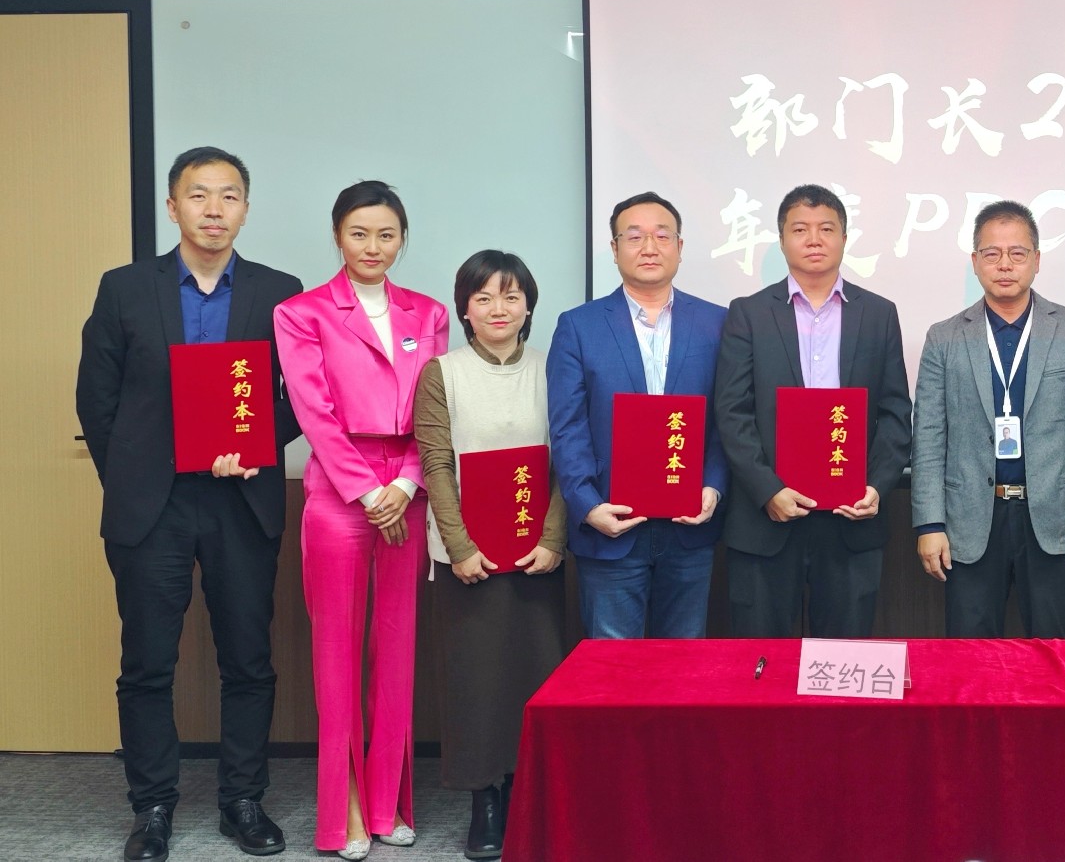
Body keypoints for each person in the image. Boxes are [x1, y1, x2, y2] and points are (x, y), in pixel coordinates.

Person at [78, 147, 302, 862]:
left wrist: (257, 444)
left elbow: (301, 396)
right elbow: (97, 399)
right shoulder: (123, 288)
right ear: (172, 207)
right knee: (147, 663)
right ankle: (151, 807)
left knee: (249, 659)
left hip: (241, 499)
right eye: (198, 195)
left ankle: (243, 800)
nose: (214, 209)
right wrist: (135, 474)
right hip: (154, 505)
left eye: (229, 195)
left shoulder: (279, 292)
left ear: (246, 208)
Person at [273, 181, 449, 859]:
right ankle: (342, 807)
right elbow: (313, 411)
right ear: (337, 236)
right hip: (338, 488)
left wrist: (404, 482)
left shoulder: (428, 312)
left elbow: (434, 406)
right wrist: (367, 491)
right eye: (359, 233)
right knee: (336, 653)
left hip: (408, 485)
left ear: (402, 239)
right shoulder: (302, 312)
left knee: (396, 649)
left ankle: (387, 803)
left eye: (386, 234)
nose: (373, 246)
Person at [412, 251, 567, 860]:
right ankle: (485, 800)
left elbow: (568, 457)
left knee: (536, 672)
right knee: (475, 678)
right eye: (483, 298)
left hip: (538, 554)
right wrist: (460, 547)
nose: (498, 309)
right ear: (465, 310)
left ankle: (531, 792)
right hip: (468, 556)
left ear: (528, 306)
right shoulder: (441, 373)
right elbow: (435, 464)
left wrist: (553, 538)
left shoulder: (553, 368)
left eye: (510, 296)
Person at [911, 200, 1065, 638]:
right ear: (975, 262)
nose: (1005, 265)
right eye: (992, 253)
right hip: (969, 522)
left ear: (1036, 260)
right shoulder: (944, 337)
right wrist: (930, 524)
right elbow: (928, 438)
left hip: (1055, 521)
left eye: (1017, 253)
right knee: (970, 658)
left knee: (1056, 654)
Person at [715, 183, 912, 638]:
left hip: (851, 519)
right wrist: (768, 490)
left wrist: (875, 487)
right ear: (782, 239)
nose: (814, 239)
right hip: (767, 518)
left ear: (844, 237)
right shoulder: (748, 313)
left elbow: (895, 412)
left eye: (826, 228)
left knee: (843, 659)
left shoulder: (878, 314)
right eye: (800, 229)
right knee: (762, 660)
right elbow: (732, 411)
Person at [547, 192, 728, 637]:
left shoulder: (717, 323)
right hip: (610, 525)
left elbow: (727, 419)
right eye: (634, 237)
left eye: (662, 236)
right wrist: (588, 506)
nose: (649, 247)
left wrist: (714, 486)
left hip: (691, 526)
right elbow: (567, 427)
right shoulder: (578, 326)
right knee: (614, 665)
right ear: (614, 249)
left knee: (684, 661)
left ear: (680, 248)